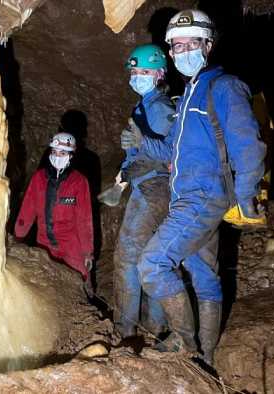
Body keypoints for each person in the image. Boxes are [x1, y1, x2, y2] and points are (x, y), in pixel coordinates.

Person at [123, 9, 266, 366]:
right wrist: (141, 143)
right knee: (203, 273)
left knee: (153, 263)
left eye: (191, 43)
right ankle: (207, 356)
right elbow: (172, 149)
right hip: (187, 195)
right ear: (170, 53)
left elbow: (248, 144)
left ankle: (184, 341)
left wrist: (247, 196)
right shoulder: (188, 95)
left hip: (203, 196)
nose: (183, 51)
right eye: (176, 46)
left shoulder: (224, 87)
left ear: (208, 45)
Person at [112, 44, 176, 340]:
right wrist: (124, 173)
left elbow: (169, 153)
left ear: (160, 73)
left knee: (127, 258)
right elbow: (140, 152)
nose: (138, 76)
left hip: (154, 189)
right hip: (147, 185)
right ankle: (155, 326)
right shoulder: (145, 106)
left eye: (145, 72)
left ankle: (126, 330)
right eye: (135, 72)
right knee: (151, 258)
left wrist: (139, 158)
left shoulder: (160, 107)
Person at [15, 133, 94, 290]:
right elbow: (27, 211)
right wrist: (17, 238)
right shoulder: (39, 178)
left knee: (79, 282)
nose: (57, 156)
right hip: (44, 242)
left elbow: (84, 220)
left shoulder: (78, 182)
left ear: (71, 156)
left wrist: (87, 252)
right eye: (54, 152)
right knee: (47, 286)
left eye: (62, 153)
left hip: (71, 244)